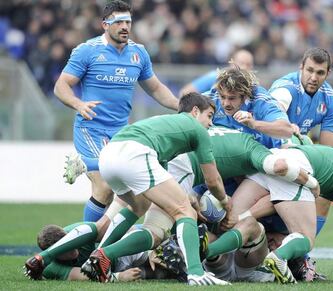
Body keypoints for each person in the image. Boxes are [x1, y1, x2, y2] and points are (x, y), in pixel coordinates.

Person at [80, 93, 230, 286]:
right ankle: (196, 273)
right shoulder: (197, 129)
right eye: (209, 116)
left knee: (138, 207)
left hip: (109, 154)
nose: (210, 123)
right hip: (135, 154)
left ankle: (99, 256)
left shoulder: (165, 123)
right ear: (195, 111)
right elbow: (213, 180)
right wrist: (225, 201)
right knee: (184, 211)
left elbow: (161, 170)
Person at [54, 0, 179, 222]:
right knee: (103, 187)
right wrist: (78, 104)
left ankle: (104, 246)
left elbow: (156, 89)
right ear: (105, 25)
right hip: (91, 128)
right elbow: (61, 86)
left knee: (140, 202)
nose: (125, 27)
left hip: (121, 132)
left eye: (128, 22)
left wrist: (182, 107)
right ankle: (85, 250)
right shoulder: (87, 51)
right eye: (119, 22)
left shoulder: (139, 54)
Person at [232, 145, 333, 284]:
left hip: (274, 157)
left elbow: (275, 199)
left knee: (230, 219)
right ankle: (278, 257)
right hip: (298, 169)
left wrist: (246, 215)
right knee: (305, 237)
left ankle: (210, 263)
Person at [24, 223, 174, 282]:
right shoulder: (51, 266)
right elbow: (82, 275)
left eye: (70, 244)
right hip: (114, 269)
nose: (72, 250)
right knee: (160, 274)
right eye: (65, 251)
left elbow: (121, 229)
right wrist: (118, 277)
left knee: (169, 257)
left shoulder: (79, 231)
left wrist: (151, 249)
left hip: (121, 253)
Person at [205, 66, 299, 149]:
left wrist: (253, 124)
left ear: (245, 96)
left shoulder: (260, 100)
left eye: (232, 98)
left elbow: (287, 130)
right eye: (222, 97)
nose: (225, 103)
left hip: (267, 152)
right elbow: (191, 112)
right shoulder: (212, 98)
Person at [268, 47, 333, 147]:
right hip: (265, 142)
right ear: (301, 67)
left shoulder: (331, 100)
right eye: (310, 70)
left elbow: (328, 150)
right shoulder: (285, 89)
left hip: (295, 146)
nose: (314, 78)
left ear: (328, 74)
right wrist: (286, 126)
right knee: (295, 141)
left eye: (320, 73)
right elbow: (272, 116)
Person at [179, 49, 254, 97]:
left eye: (248, 64)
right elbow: (185, 92)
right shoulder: (215, 77)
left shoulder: (252, 86)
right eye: (241, 63)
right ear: (232, 63)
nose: (244, 67)